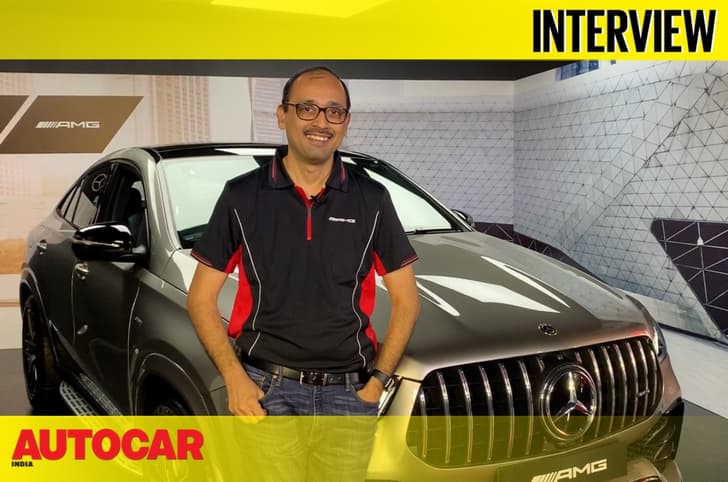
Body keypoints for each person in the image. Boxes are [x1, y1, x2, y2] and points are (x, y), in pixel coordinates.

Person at [186, 66, 420, 481]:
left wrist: (377, 382)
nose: (321, 122)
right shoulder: (242, 196)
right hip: (266, 393)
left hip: (350, 396)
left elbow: (407, 301)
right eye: (307, 108)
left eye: (334, 111)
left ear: (346, 121)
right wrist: (235, 378)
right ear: (283, 116)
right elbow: (200, 299)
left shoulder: (371, 198)